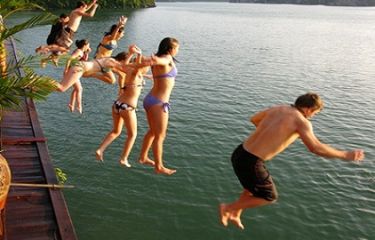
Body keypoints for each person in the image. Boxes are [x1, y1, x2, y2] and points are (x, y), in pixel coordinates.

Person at [219, 93, 365, 230]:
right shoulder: (301, 122)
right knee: (269, 197)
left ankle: (235, 213)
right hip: (251, 162)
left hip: (240, 152)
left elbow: (254, 119)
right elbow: (316, 148)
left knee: (251, 187)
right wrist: (345, 155)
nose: (313, 116)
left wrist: (273, 134)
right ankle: (228, 208)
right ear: (308, 109)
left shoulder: (279, 108)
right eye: (315, 113)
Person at [96, 46, 150, 167]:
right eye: (148, 67)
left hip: (117, 105)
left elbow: (127, 65)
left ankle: (100, 150)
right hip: (127, 108)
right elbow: (137, 67)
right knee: (132, 134)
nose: (148, 69)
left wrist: (131, 54)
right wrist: (139, 55)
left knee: (116, 131)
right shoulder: (135, 73)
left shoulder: (130, 71)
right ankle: (124, 158)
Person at [138, 37, 180, 176]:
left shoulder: (157, 58)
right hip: (159, 103)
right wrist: (155, 60)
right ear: (170, 49)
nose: (178, 51)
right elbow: (162, 61)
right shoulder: (166, 59)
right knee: (160, 136)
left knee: (152, 132)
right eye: (177, 48)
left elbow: (157, 65)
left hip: (151, 99)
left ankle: (143, 157)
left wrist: (151, 59)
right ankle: (159, 166)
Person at [54, 46, 138, 95]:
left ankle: (42, 83)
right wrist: (131, 54)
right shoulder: (112, 62)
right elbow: (125, 68)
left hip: (81, 67)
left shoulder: (110, 60)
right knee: (62, 88)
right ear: (123, 60)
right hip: (81, 68)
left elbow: (124, 72)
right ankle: (41, 81)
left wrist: (144, 75)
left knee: (62, 87)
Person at [65, 39, 92, 113]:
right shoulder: (79, 51)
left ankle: (71, 104)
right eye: (88, 45)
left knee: (76, 89)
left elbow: (84, 61)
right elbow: (69, 59)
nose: (89, 46)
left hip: (76, 72)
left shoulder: (82, 52)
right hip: (72, 72)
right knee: (79, 89)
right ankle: (79, 106)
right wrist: (66, 70)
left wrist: (87, 52)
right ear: (85, 45)